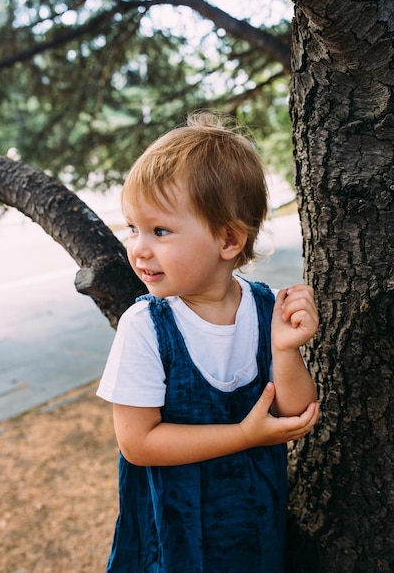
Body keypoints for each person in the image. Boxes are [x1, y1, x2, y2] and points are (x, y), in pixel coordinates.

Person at [97, 112, 319, 573]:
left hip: (254, 527)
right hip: (173, 538)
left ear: (228, 239)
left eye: (160, 231)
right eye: (132, 228)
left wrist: (286, 348)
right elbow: (137, 443)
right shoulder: (146, 327)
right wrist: (243, 436)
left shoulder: (263, 309)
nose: (138, 247)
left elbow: (296, 413)